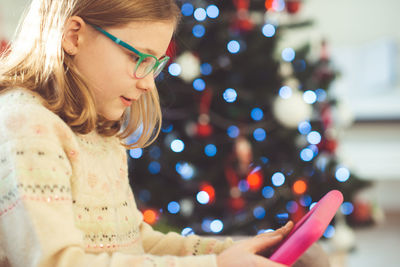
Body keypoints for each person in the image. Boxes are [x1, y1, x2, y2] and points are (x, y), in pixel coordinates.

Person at [0, 0, 329, 266]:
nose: (147, 82)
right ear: (74, 36)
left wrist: (231, 251)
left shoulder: (98, 128)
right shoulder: (28, 128)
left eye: (155, 64)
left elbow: (135, 241)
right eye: (138, 58)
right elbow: (55, 261)